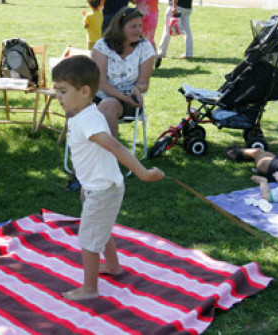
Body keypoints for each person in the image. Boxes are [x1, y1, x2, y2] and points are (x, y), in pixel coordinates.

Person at [51, 55, 164, 300]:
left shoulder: (88, 120)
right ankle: (113, 266)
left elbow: (116, 147)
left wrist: (143, 173)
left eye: (62, 91)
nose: (57, 96)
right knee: (100, 229)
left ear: (84, 91)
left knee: (89, 240)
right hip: (96, 186)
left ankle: (90, 289)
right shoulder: (83, 113)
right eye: (56, 91)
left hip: (102, 189)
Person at [92, 6, 156, 139]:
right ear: (120, 27)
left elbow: (144, 83)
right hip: (100, 96)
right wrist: (122, 96)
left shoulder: (145, 47)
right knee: (77, 102)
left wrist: (137, 89)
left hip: (130, 101)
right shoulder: (102, 46)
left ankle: (110, 154)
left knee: (108, 106)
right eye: (133, 26)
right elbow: (101, 82)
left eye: (140, 25)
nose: (139, 30)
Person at [155, 0, 193, 69]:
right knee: (187, 31)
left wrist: (174, 5)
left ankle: (161, 52)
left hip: (177, 6)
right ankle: (189, 53)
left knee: (167, 30)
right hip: (188, 7)